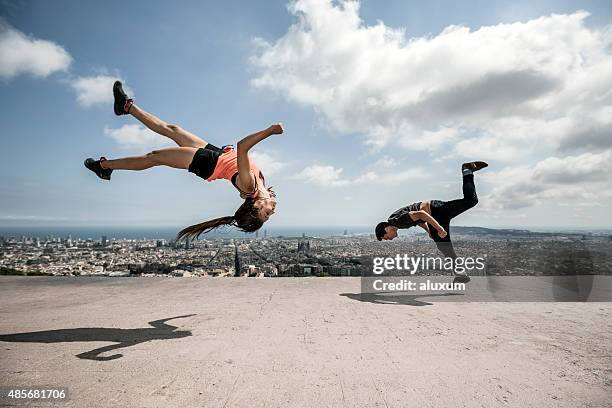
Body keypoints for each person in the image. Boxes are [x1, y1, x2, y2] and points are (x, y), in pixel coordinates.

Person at [84, 81, 282, 240]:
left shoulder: (250, 187)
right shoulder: (261, 189)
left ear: (256, 206)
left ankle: (103, 166)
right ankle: (126, 107)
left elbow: (243, 146)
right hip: (217, 155)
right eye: (268, 216)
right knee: (174, 130)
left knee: (153, 157)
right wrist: (265, 194)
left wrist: (270, 131)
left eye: (266, 215)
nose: (271, 213)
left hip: (208, 164)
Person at [375, 161, 488, 283]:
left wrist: (438, 228)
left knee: (470, 202)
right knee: (445, 246)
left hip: (436, 211)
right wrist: (429, 230)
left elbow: (421, 214)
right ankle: (461, 275)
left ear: (386, 229)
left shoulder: (397, 222)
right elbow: (417, 219)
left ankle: (466, 170)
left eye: (386, 237)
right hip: (436, 211)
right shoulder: (395, 220)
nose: (390, 239)